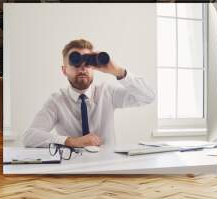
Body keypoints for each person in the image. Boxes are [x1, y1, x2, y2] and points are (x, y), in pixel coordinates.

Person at [22, 39, 155, 148]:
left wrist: (119, 71)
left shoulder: (107, 93)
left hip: (107, 168)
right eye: (75, 62)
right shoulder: (57, 101)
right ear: (64, 70)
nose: (82, 68)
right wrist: (72, 141)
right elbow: (29, 137)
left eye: (88, 62)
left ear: (94, 66)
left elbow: (148, 97)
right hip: (72, 170)